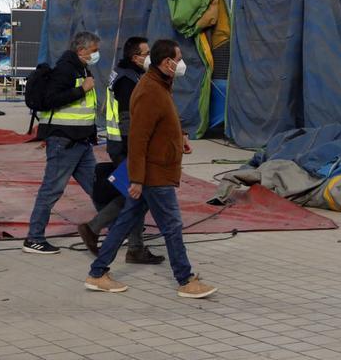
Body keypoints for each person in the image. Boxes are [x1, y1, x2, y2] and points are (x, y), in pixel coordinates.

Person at [85, 39, 217, 298]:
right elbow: (138, 137)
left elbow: (164, 122)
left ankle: (98, 273)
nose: (181, 65)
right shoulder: (148, 90)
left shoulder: (161, 85)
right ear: (166, 62)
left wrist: (180, 137)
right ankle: (185, 279)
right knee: (172, 225)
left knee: (124, 222)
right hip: (154, 173)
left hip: (155, 170)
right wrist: (136, 178)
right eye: (178, 59)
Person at [76, 37, 165, 264]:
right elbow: (129, 119)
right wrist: (137, 149)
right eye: (146, 53)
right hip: (126, 145)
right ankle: (94, 228)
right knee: (134, 193)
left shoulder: (128, 74)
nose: (150, 57)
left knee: (134, 194)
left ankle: (134, 247)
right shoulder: (127, 80)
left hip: (122, 144)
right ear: (135, 57)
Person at [23, 32, 101, 254]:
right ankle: (34, 238)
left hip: (81, 141)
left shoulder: (82, 68)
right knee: (51, 190)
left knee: (98, 187)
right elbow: (49, 100)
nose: (97, 54)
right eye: (94, 50)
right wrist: (81, 90)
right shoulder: (66, 69)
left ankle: (115, 228)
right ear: (81, 50)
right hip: (64, 141)